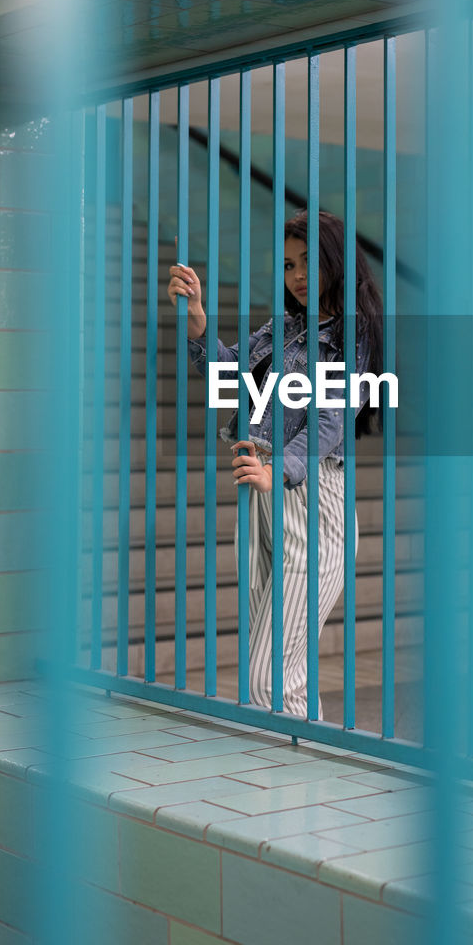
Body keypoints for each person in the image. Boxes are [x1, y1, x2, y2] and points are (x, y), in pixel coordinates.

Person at [167, 209, 384, 719]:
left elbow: (329, 420)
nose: (299, 276)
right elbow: (232, 380)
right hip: (265, 496)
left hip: (312, 501)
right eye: (289, 265)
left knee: (268, 677)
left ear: (338, 261)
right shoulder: (283, 328)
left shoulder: (353, 337)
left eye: (310, 261)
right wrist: (198, 321)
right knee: (277, 671)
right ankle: (304, 785)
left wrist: (279, 468)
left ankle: (290, 788)